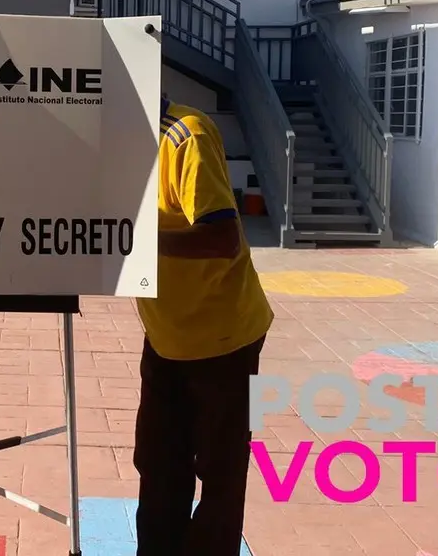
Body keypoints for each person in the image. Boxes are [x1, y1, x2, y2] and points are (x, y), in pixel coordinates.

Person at [133, 96, 276, 556]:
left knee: (220, 474)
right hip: (166, 336)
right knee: (158, 465)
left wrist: (136, 241)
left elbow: (221, 237)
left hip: (223, 341)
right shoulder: (121, 140)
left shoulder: (186, 135)